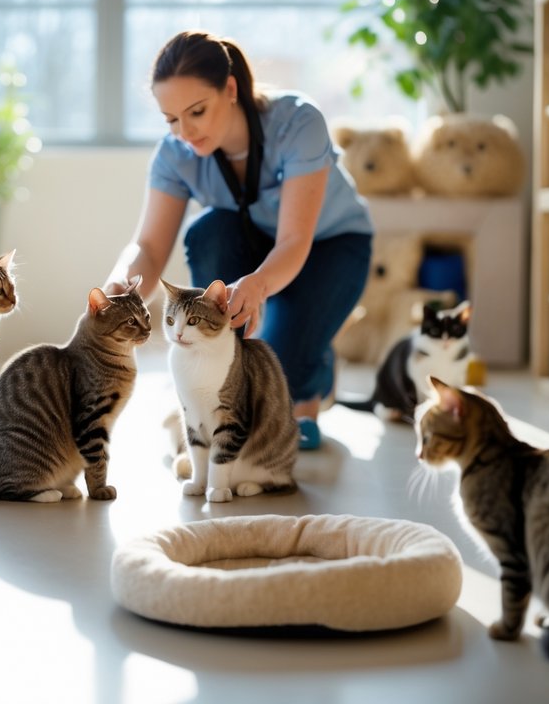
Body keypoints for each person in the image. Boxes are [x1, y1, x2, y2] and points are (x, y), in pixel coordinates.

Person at [103, 30, 373, 449]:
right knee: (209, 231)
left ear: (230, 89)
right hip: (253, 243)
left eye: (196, 111)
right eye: (171, 119)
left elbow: (295, 240)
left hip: (331, 246)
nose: (185, 132)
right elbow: (150, 249)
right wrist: (120, 286)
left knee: (278, 386)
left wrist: (259, 284)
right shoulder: (175, 155)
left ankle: (314, 367)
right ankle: (243, 361)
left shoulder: (299, 122)